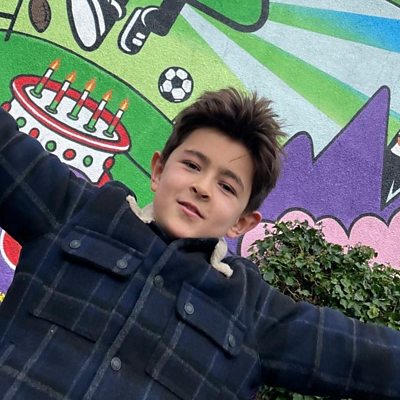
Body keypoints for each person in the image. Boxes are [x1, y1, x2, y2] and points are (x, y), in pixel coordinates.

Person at [0, 88, 399, 400]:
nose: (202, 187)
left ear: (242, 222)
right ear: (159, 170)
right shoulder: (74, 211)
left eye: (227, 186)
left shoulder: (251, 310)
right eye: (192, 164)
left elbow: (367, 357)